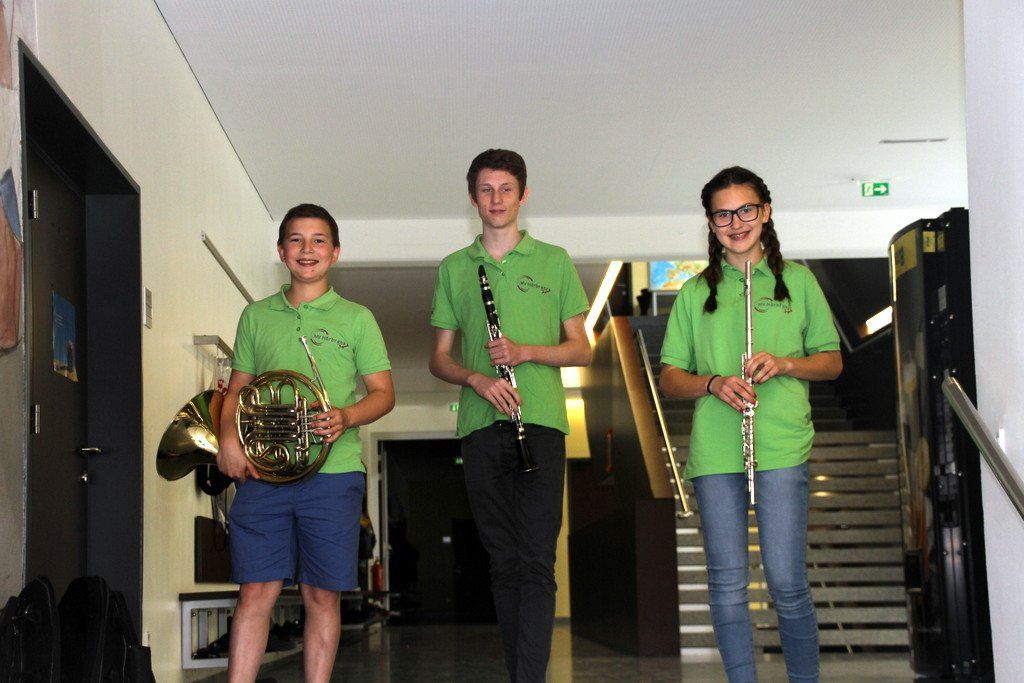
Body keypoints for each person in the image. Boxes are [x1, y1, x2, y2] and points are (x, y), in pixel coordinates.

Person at [659, 167, 842, 683]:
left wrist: (785, 363)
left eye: (745, 210)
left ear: (765, 212)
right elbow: (670, 378)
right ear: (710, 222)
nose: (735, 223)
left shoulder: (798, 282)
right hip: (717, 452)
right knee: (726, 585)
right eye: (723, 214)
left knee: (787, 583)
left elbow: (831, 362)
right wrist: (713, 383)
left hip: (782, 446)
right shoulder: (695, 292)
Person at [429, 149, 592, 682]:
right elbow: (439, 358)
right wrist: (476, 379)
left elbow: (582, 349)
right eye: (485, 189)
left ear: (523, 195)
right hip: (480, 426)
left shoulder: (555, 260)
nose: (495, 199)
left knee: (537, 560)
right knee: (503, 561)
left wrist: (526, 352)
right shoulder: (455, 267)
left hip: (540, 423)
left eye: (505, 189)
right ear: (472, 197)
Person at [216, 203, 395, 682]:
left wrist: (346, 416)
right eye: (296, 239)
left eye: (318, 240)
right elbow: (238, 390)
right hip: (264, 474)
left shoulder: (357, 318)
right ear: (281, 251)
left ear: (335, 252)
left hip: (333, 474)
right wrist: (228, 439)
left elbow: (383, 394)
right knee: (255, 592)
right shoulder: (256, 316)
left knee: (321, 594)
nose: (307, 249)